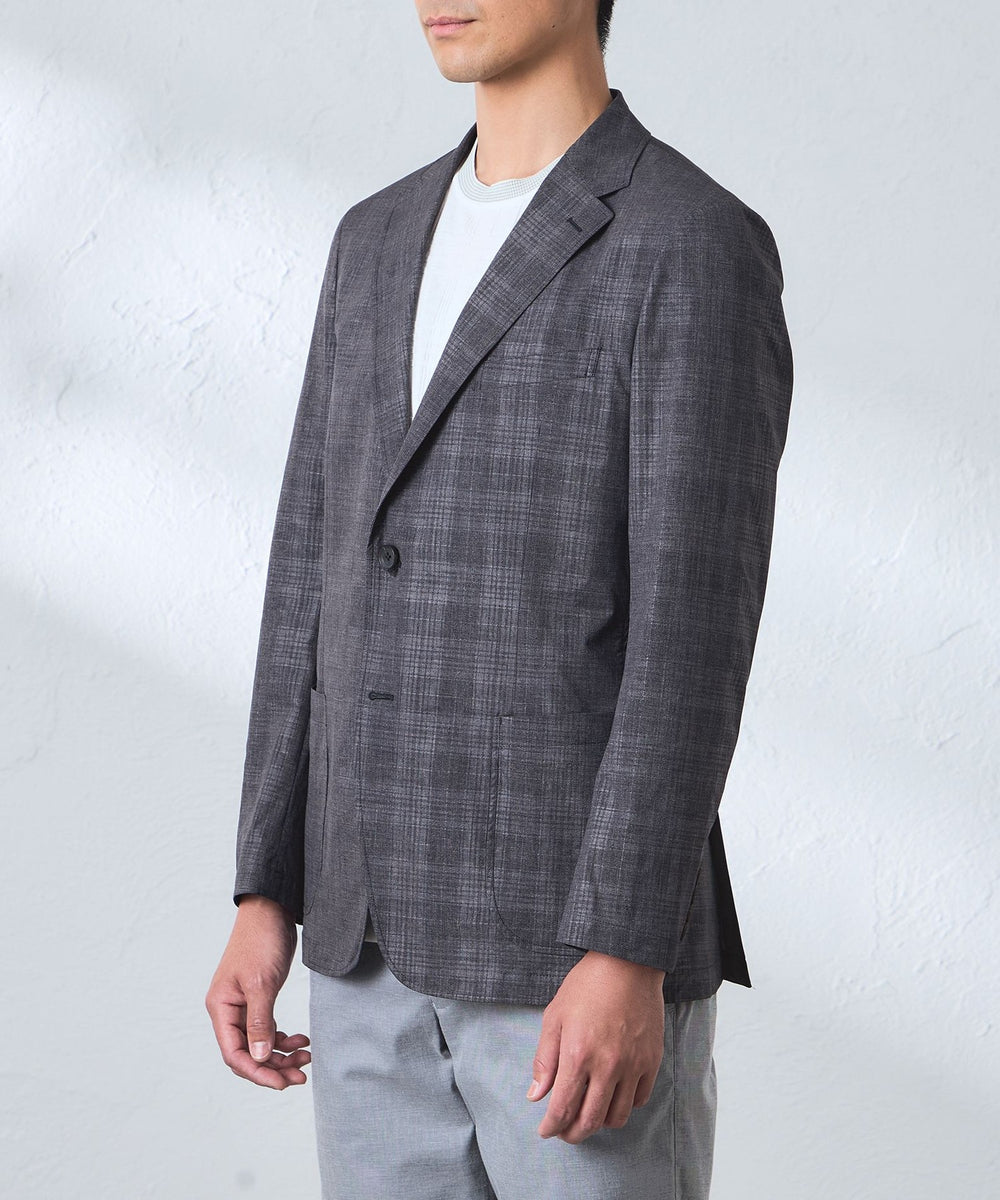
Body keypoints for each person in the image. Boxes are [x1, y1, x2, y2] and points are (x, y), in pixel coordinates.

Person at [205, 2, 794, 1196]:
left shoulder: (691, 241)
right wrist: (266, 887)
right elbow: (309, 574)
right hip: (360, 943)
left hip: (572, 961)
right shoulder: (373, 240)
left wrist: (624, 944)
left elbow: (692, 637)